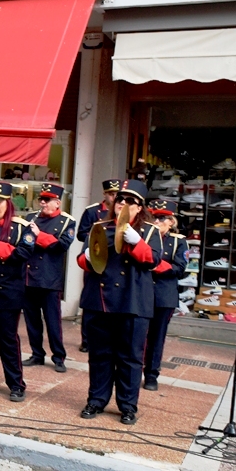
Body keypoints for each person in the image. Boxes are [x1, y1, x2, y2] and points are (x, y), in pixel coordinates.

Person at [76, 179, 162, 425]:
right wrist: (87, 257)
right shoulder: (100, 226)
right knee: (100, 355)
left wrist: (136, 242)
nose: (122, 203)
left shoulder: (150, 231)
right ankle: (96, 399)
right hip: (101, 300)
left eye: (130, 201)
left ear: (139, 207)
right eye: (120, 199)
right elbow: (83, 260)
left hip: (132, 300)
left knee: (130, 358)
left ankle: (127, 405)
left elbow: (154, 261)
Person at [0, 181, 36, 399]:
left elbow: (25, 253)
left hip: (8, 291)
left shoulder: (21, 227)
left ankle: (16, 384)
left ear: (8, 203)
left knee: (8, 340)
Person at [22, 183, 76, 372]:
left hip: (50, 278)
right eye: (41, 199)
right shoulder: (30, 218)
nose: (43, 203)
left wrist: (39, 235)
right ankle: (37, 353)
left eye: (47, 200)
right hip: (29, 276)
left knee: (53, 321)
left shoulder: (67, 222)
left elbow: (62, 246)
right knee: (32, 320)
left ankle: (58, 356)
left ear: (57, 203)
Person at [143, 198, 188, 392]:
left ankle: (151, 374)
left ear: (171, 221)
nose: (156, 222)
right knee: (135, 334)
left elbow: (180, 268)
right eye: (153, 217)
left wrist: (156, 265)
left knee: (156, 337)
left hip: (163, 294)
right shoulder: (143, 235)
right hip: (142, 292)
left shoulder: (178, 241)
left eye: (161, 218)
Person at [76, 179, 121, 352]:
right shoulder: (92, 211)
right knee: (91, 300)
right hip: (94, 257)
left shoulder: (122, 212)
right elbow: (81, 233)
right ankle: (86, 340)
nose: (114, 197)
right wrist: (95, 238)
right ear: (105, 194)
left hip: (113, 260)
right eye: (111, 194)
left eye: (116, 194)